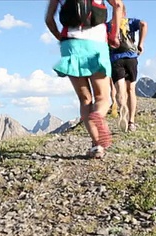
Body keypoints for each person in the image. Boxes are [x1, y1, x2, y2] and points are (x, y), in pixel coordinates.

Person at [45, 0, 123, 159]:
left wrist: (60, 37)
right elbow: (118, 5)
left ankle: (96, 145)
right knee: (102, 97)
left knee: (85, 99)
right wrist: (114, 34)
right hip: (96, 43)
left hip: (70, 44)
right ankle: (99, 116)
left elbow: (49, 19)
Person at [107, 5, 147, 132]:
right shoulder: (130, 22)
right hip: (131, 58)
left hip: (116, 59)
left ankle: (122, 107)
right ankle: (131, 122)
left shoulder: (108, 25)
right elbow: (144, 24)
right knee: (131, 89)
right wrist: (140, 44)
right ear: (124, 12)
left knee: (120, 90)